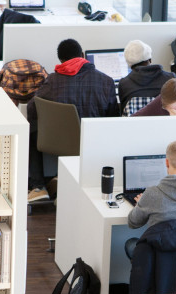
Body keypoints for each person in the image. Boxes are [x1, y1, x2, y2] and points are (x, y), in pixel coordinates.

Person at [26, 39, 119, 202]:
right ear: (83, 56)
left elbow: (32, 107)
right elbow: (113, 120)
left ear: (61, 61)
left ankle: (38, 187)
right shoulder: (106, 81)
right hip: (92, 143)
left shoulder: (53, 81)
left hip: (57, 142)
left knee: (31, 130)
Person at [118, 40, 176, 116]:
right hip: (166, 126)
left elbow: (123, 112)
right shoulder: (171, 78)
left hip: (136, 127)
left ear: (129, 65)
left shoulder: (124, 84)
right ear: (150, 59)